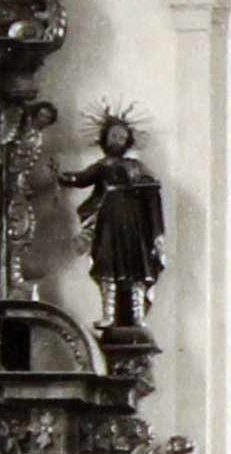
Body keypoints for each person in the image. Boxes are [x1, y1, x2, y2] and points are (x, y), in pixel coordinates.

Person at [65, 113, 166, 332]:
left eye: (121, 137)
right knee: (107, 263)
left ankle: (138, 316)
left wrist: (157, 233)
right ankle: (108, 315)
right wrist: (66, 177)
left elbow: (151, 192)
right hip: (108, 220)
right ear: (104, 139)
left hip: (133, 222)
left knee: (137, 266)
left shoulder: (136, 166)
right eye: (113, 136)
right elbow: (82, 178)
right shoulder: (102, 166)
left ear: (128, 141)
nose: (117, 140)